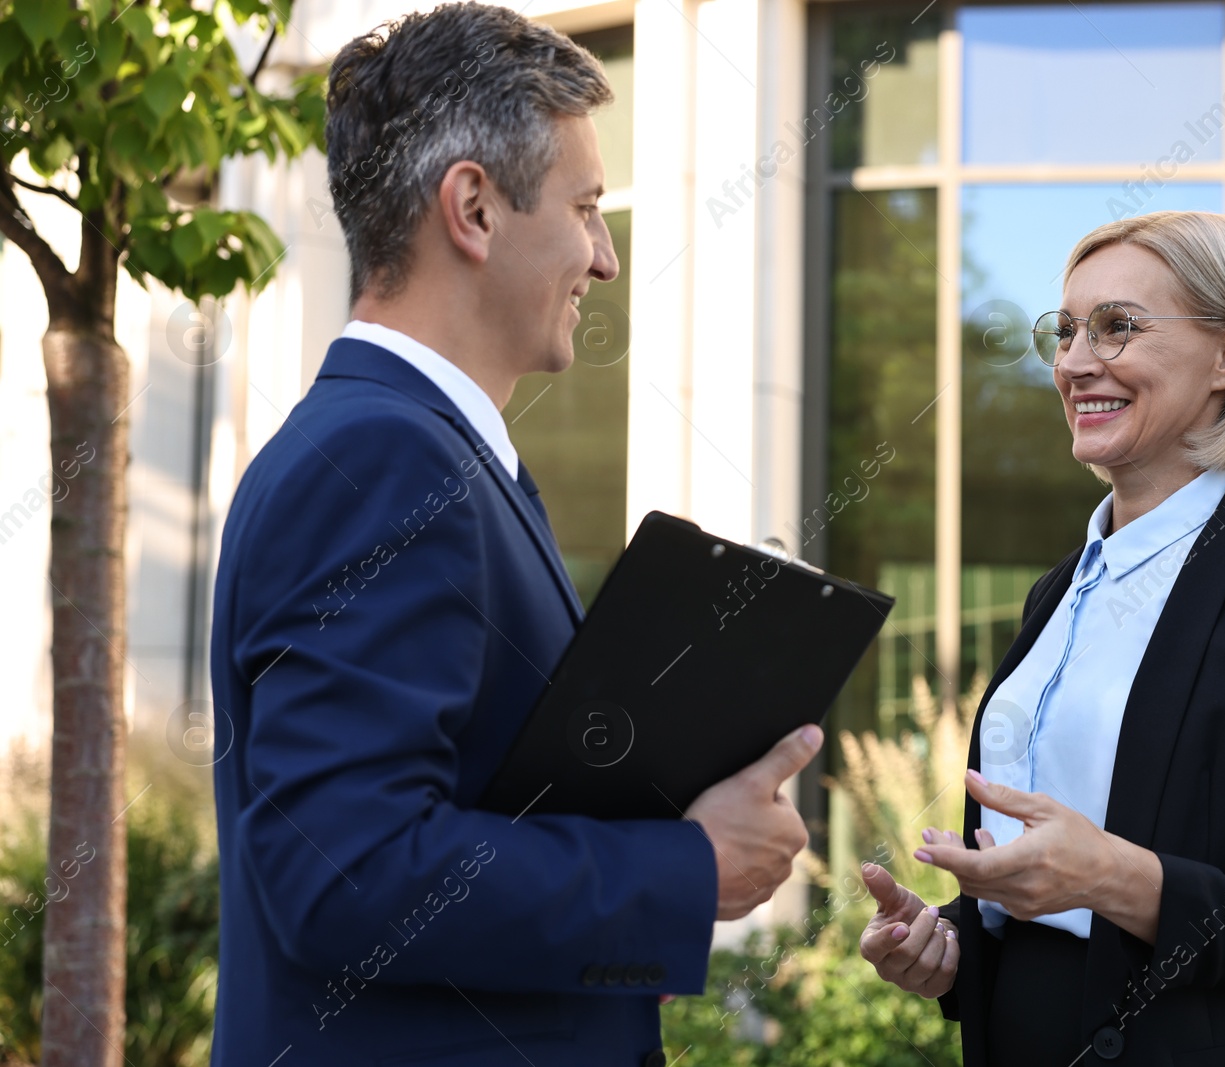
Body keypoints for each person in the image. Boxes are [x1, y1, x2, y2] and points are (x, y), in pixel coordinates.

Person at [208, 6, 821, 1065]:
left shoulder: (422, 453)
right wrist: (684, 868)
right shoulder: (387, 465)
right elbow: (347, 869)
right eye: (588, 207)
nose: (606, 258)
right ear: (475, 209)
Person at [857, 211, 1225, 1066]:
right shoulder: (1058, 591)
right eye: (1065, 331)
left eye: (1117, 327)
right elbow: (1055, 907)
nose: (1074, 363)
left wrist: (1108, 874)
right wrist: (953, 947)